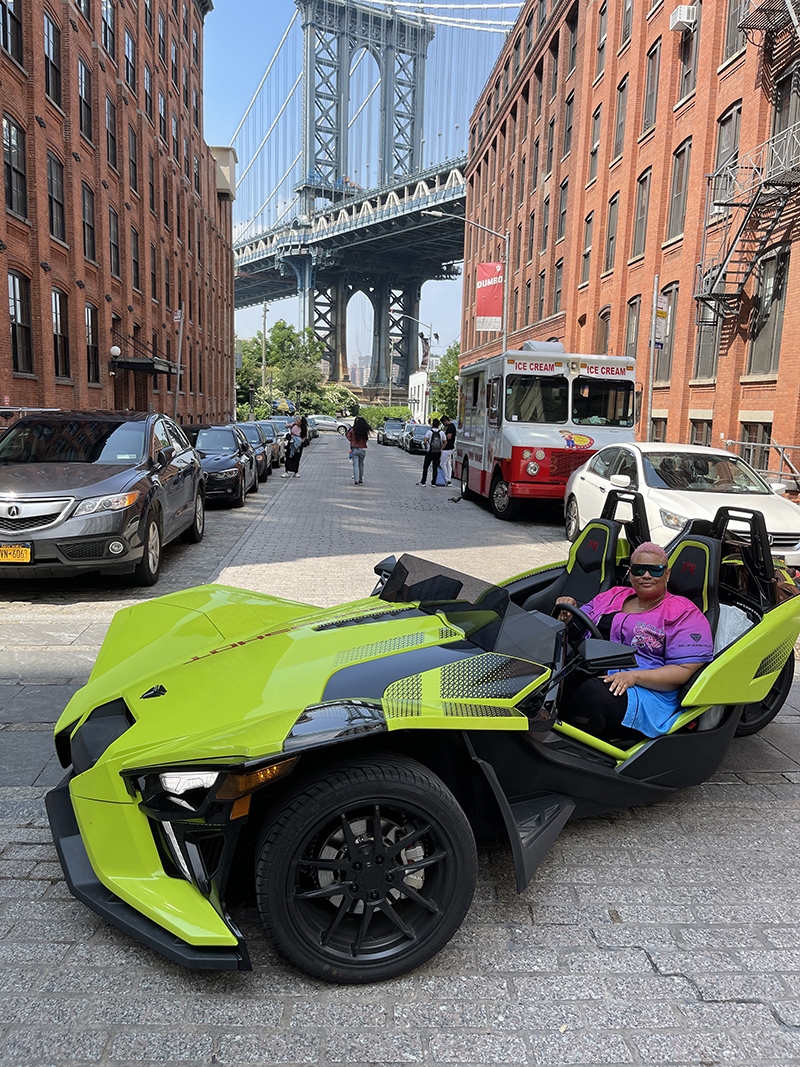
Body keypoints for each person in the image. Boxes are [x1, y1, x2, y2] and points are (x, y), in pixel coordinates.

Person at [555, 542, 713, 742]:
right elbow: (580, 626)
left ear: (667, 574)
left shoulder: (684, 613)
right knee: (558, 678)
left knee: (592, 693)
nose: (646, 576)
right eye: (639, 570)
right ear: (630, 573)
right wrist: (568, 613)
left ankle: (570, 748)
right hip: (593, 668)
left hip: (647, 690)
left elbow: (684, 669)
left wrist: (634, 677)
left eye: (655, 570)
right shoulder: (613, 595)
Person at [419, 419, 444, 486]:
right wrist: (441, 448)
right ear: (438, 425)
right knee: (435, 467)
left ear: (432, 424)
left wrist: (427, 447)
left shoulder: (429, 432)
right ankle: (434, 482)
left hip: (430, 451)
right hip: (437, 452)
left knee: (426, 467)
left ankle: (423, 481)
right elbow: (445, 442)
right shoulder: (441, 433)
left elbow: (425, 441)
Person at [346, 416, 370, 485]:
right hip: (362, 449)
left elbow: (348, 436)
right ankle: (360, 480)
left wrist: (351, 440)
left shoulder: (353, 430)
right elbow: (366, 439)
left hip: (354, 449)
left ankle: (356, 480)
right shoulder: (364, 431)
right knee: (361, 465)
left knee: (355, 465)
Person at [440, 415, 456, 486]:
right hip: (451, 448)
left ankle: (446, 479)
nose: (443, 424)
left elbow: (449, 437)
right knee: (448, 465)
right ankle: (449, 479)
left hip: (447, 448)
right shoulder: (452, 426)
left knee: (442, 464)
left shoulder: (450, 427)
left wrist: (443, 435)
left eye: (443, 422)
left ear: (446, 420)